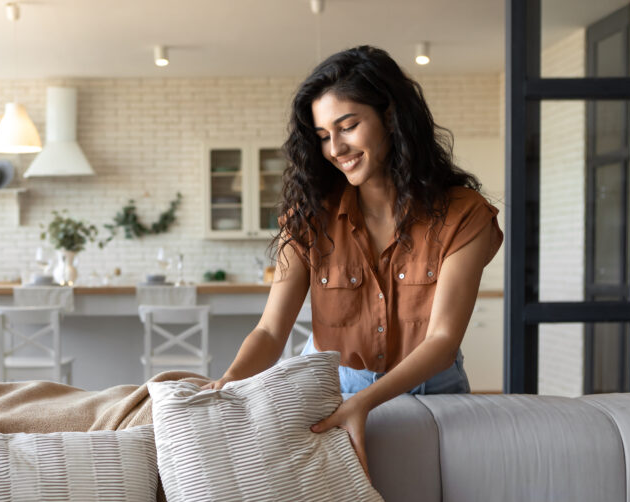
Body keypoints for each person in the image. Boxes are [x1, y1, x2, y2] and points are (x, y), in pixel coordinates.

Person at [203, 45, 503, 474]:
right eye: (323, 135)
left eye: (348, 126)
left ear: (392, 117)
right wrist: (228, 382)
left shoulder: (463, 214)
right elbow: (271, 331)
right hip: (337, 392)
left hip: (436, 395)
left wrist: (363, 404)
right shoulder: (309, 217)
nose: (335, 148)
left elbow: (441, 342)